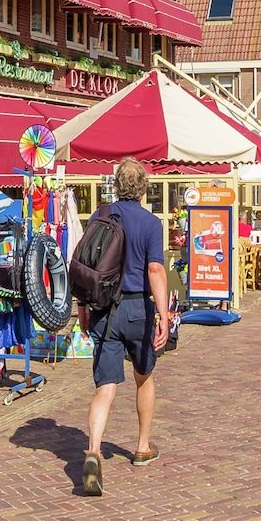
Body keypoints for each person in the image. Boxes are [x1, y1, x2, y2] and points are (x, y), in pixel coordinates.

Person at [79, 158, 171, 496]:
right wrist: (163, 314)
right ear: (144, 188)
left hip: (105, 309)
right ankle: (143, 446)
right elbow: (156, 271)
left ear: (116, 185)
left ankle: (93, 450)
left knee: (106, 386)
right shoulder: (150, 223)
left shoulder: (101, 216)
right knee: (144, 376)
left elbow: (86, 266)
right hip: (137, 308)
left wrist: (84, 307)